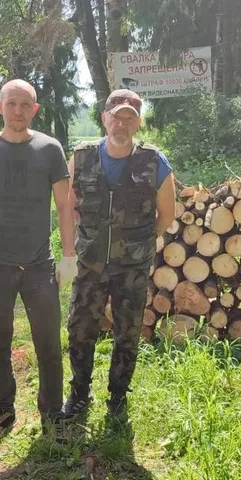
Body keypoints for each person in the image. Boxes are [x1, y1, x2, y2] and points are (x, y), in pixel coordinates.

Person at [0, 79, 77, 444]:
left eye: (24, 104)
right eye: (11, 103)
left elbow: (64, 205)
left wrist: (68, 257)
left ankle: (52, 414)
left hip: (39, 265)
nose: (17, 111)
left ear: (35, 109)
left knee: (48, 343)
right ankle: (3, 409)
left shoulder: (50, 149)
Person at [60, 89, 175, 421]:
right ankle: (80, 393)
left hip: (131, 267)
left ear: (138, 123)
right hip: (89, 263)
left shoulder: (153, 161)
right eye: (116, 116)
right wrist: (83, 240)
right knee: (80, 328)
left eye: (130, 118)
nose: (122, 123)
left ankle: (118, 397)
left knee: (127, 331)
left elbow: (167, 213)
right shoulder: (82, 157)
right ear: (104, 118)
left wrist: (140, 241)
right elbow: (68, 205)